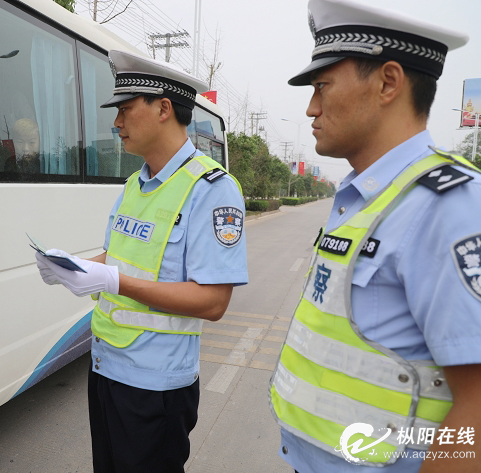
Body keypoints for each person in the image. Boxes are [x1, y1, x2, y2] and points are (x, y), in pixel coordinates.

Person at [268, 1, 481, 472]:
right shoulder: (366, 196)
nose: (310, 107)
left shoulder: (449, 205)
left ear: (388, 82)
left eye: (322, 85)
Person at [35, 50, 248, 473]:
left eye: (125, 110)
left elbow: (213, 303)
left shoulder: (213, 190)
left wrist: (112, 280)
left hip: (156, 386)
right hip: (106, 369)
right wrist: (72, 267)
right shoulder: (135, 184)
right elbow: (118, 258)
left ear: (164, 109)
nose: (116, 123)